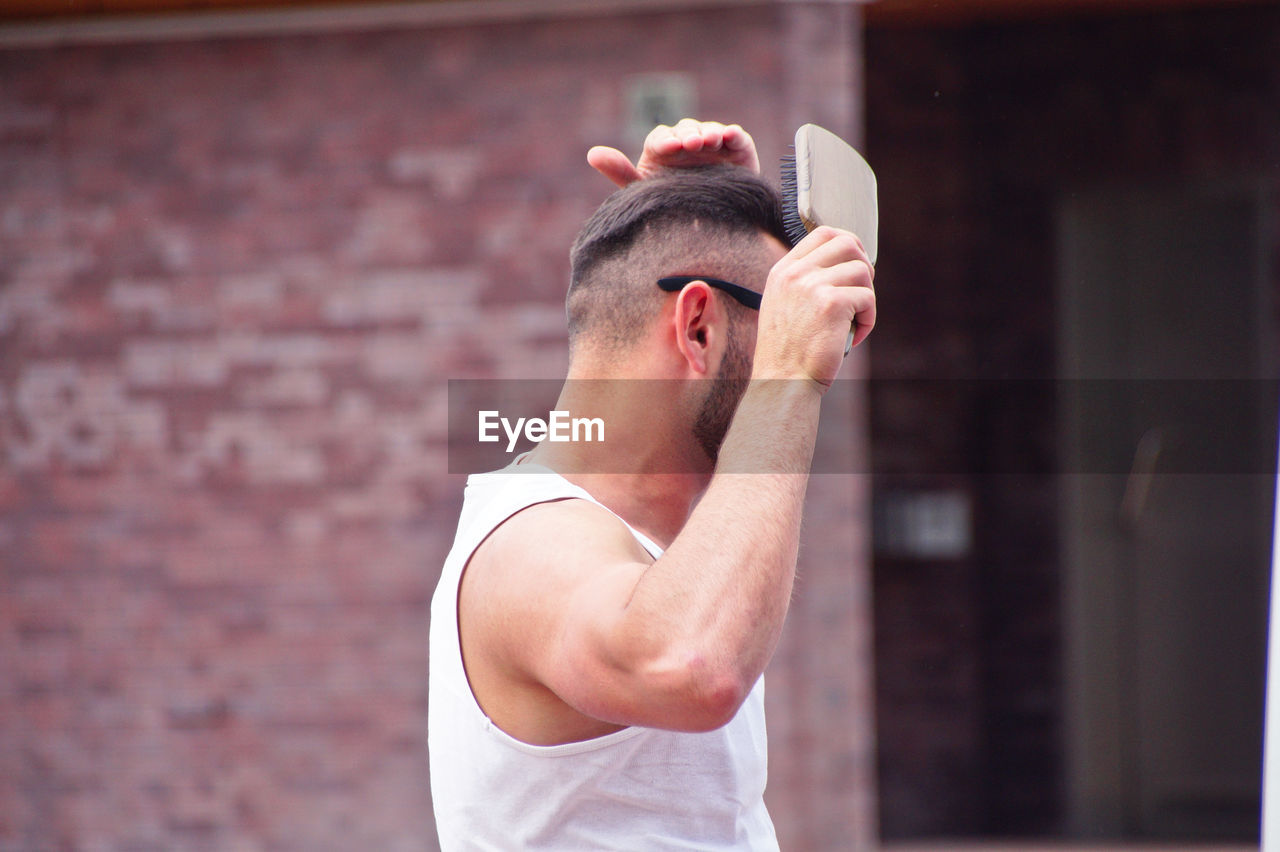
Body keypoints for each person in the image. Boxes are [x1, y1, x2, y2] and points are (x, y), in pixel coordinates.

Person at [428, 119, 876, 849]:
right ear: (697, 327)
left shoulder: (654, 536)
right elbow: (690, 666)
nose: (823, 358)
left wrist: (703, 213)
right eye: (792, 323)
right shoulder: (529, 545)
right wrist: (785, 375)